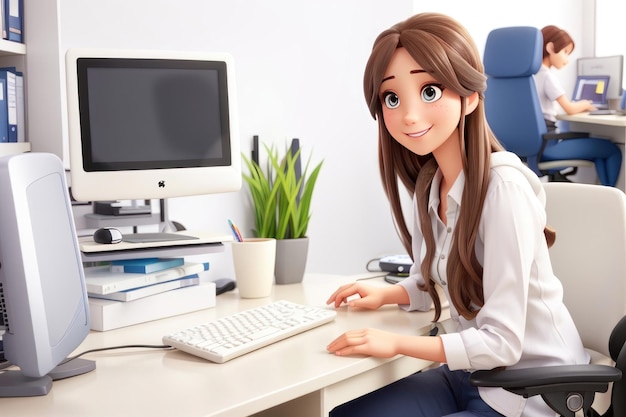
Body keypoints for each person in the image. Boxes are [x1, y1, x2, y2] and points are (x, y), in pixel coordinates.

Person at [325, 13, 589, 417]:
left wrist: (395, 343)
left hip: (533, 391)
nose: (409, 115)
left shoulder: (503, 189)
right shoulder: (430, 186)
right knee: (347, 411)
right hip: (473, 375)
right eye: (392, 98)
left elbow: (502, 341)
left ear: (469, 97)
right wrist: (389, 294)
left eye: (429, 90)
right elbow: (437, 278)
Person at [534, 24, 622, 186]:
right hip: (548, 147)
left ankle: (605, 198)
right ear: (551, 47)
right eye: (565, 52)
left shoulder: (528, 77)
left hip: (530, 148)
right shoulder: (547, 76)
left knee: (598, 153)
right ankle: (612, 200)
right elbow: (569, 108)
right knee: (612, 150)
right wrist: (585, 104)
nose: (567, 60)